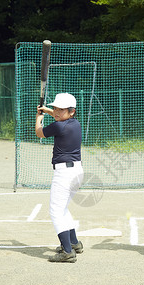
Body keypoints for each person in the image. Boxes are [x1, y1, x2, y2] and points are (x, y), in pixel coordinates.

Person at [35, 92, 84, 263]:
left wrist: (39, 118)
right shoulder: (75, 123)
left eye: (61, 109)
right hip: (77, 172)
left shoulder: (59, 126)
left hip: (64, 174)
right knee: (63, 209)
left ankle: (67, 252)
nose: (56, 112)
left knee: (56, 211)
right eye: (55, 108)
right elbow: (59, 117)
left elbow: (39, 133)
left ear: (71, 111)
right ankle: (74, 243)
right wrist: (46, 110)